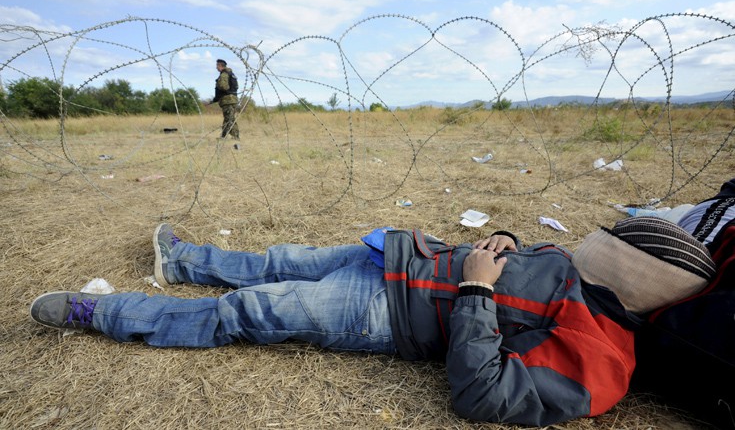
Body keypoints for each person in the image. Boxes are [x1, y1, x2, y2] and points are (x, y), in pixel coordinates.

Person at [30, 218, 716, 426]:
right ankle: (180, 260)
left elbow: (482, 393)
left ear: (633, 277)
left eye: (616, 242)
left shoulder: (603, 363)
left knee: (246, 311)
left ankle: (105, 312)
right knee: (273, 260)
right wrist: (504, 238)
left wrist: (476, 291)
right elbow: (523, 261)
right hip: (391, 256)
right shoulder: (578, 272)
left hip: (382, 312)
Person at [211, 59, 239, 140]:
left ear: (220, 65)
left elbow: (223, 86)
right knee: (229, 118)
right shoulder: (231, 74)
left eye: (217, 66)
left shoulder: (224, 74)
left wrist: (220, 90)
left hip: (227, 100)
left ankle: (235, 136)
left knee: (229, 119)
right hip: (233, 99)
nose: (216, 68)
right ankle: (224, 136)